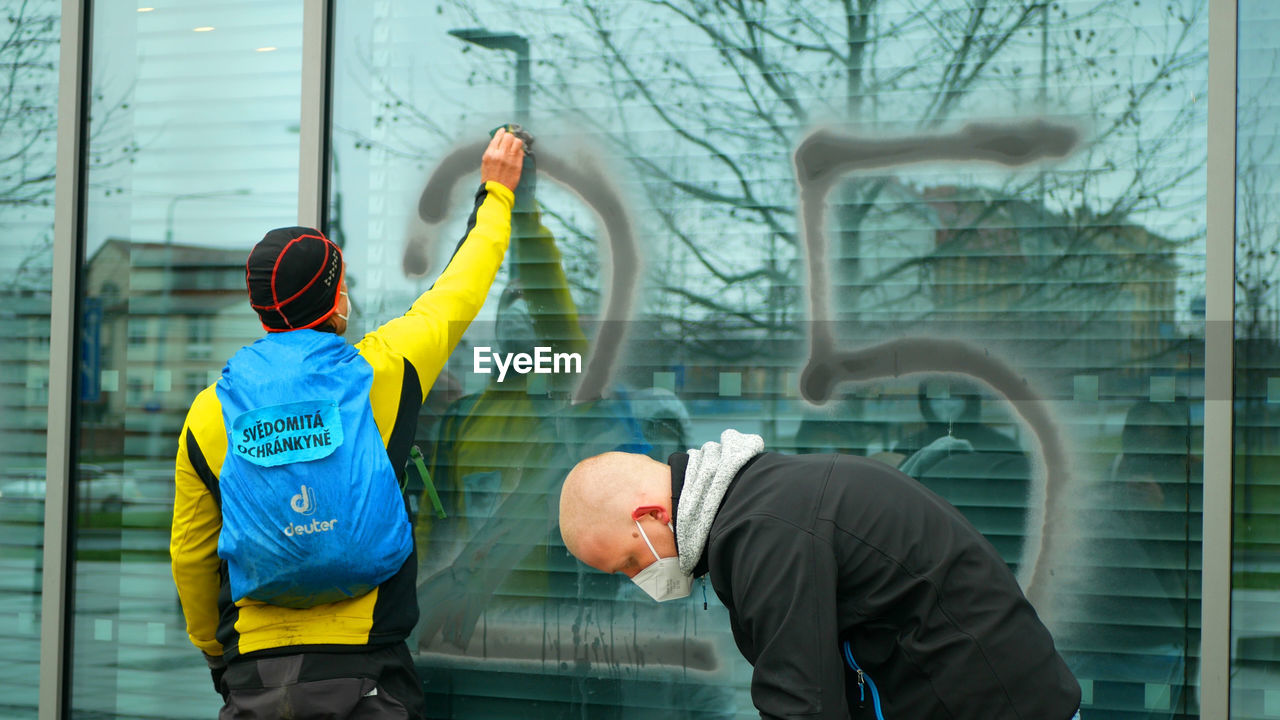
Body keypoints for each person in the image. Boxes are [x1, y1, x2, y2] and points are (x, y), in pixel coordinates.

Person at [170, 128, 525, 718]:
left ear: (260, 308)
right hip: (366, 673)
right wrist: (498, 193)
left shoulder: (211, 411)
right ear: (337, 299)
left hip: (254, 671)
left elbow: (191, 554)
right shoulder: (381, 372)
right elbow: (460, 288)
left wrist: (216, 651)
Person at [558, 428, 1083, 720]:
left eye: (630, 561)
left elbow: (801, 704)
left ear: (651, 517)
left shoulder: (765, 530)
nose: (639, 578)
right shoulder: (760, 503)